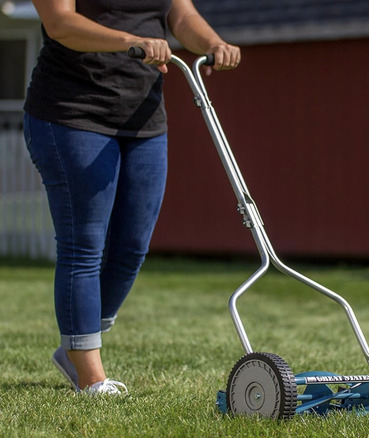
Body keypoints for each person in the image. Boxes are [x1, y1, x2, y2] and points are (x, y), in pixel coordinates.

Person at [23, 0, 240, 395]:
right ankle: (89, 375)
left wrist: (213, 42)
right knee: (83, 244)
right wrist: (130, 41)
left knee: (131, 247)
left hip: (143, 116)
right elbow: (60, 23)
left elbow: (180, 14)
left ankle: (77, 339)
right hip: (71, 112)